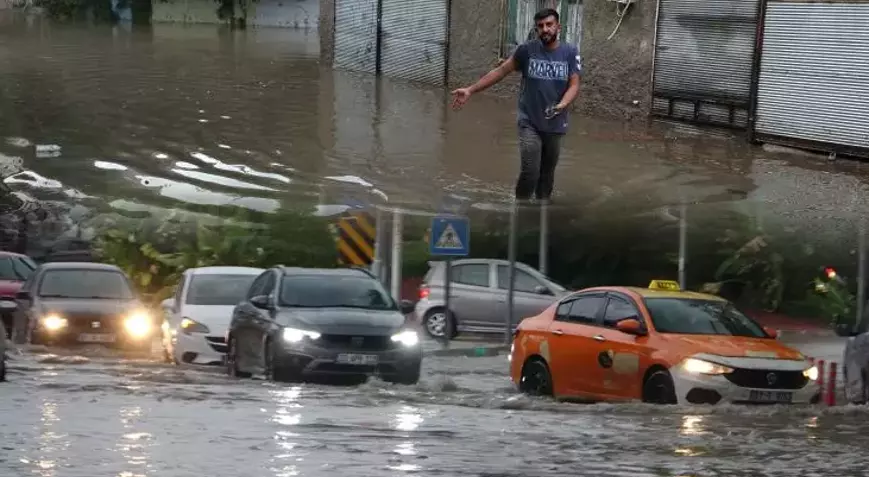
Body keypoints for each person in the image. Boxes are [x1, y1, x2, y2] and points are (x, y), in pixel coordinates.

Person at [451, 8, 581, 204]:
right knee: (530, 170)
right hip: (529, 122)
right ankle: (520, 209)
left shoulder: (570, 53)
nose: (545, 29)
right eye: (540, 26)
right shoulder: (527, 51)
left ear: (558, 27)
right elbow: (501, 71)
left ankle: (541, 214)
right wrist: (471, 90)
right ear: (536, 29)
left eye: (549, 25)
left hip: (556, 122)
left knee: (546, 176)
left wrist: (562, 105)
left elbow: (574, 84)